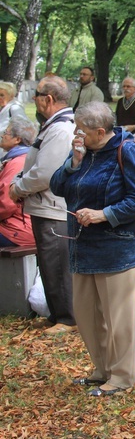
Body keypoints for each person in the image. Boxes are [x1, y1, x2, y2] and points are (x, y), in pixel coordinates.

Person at [49, 101, 135, 397]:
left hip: (117, 250)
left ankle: (121, 377)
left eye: (81, 130)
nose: (76, 135)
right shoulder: (84, 152)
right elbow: (57, 186)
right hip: (83, 247)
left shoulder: (126, 150)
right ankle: (102, 369)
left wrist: (103, 213)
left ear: (99, 131)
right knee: (87, 314)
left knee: (117, 317)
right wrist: (74, 162)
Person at [9, 75, 76, 335]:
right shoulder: (54, 125)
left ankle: (68, 318)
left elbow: (45, 173)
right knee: (48, 262)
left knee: (57, 261)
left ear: (48, 99)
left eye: (36, 94)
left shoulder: (61, 129)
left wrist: (18, 188)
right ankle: (57, 313)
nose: (33, 99)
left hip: (53, 206)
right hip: (43, 205)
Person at [0, 116, 36, 246]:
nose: (2, 135)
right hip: (21, 226)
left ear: (17, 139)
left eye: (6, 133)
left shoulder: (17, 162)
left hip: (17, 230)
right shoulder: (24, 157)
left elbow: (7, 204)